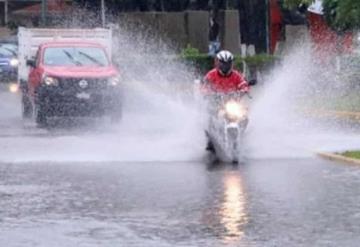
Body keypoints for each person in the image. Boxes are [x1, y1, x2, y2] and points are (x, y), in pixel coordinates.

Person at [201, 50, 250, 152]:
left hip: (232, 103)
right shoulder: (211, 74)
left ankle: (241, 135)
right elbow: (205, 86)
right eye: (223, 63)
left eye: (228, 63)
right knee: (210, 115)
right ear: (218, 63)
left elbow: (243, 84)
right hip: (217, 103)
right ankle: (210, 141)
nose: (225, 65)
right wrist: (208, 93)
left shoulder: (236, 75)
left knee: (245, 116)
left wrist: (244, 90)